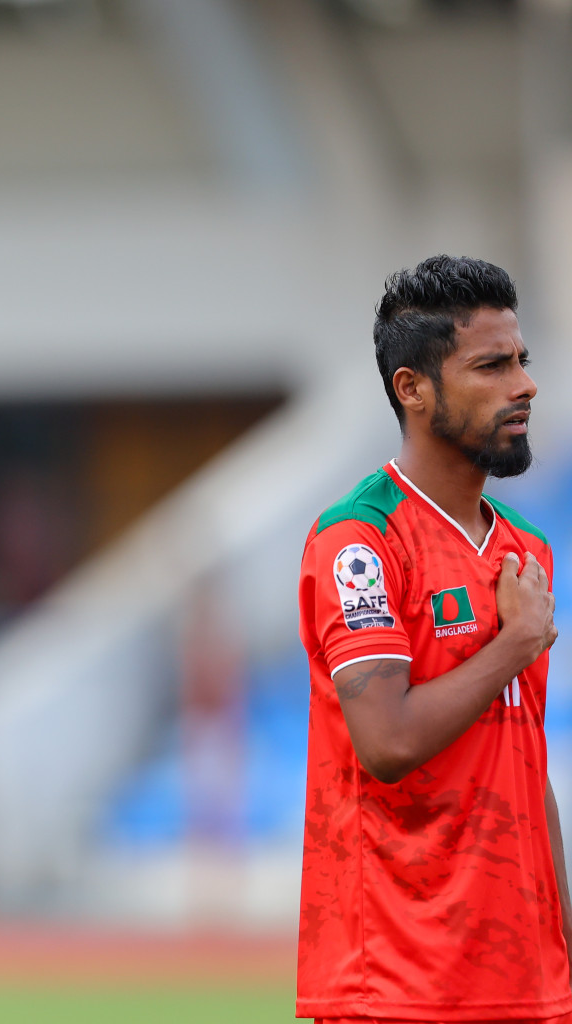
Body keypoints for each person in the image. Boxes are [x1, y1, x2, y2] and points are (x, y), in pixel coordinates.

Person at [297, 255, 570, 1023]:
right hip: (398, 980)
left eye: (522, 361)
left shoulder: (527, 549)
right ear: (411, 389)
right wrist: (514, 644)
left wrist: (562, 949)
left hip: (526, 981)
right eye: (492, 366)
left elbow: (526, 765)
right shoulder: (361, 539)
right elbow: (386, 741)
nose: (525, 385)